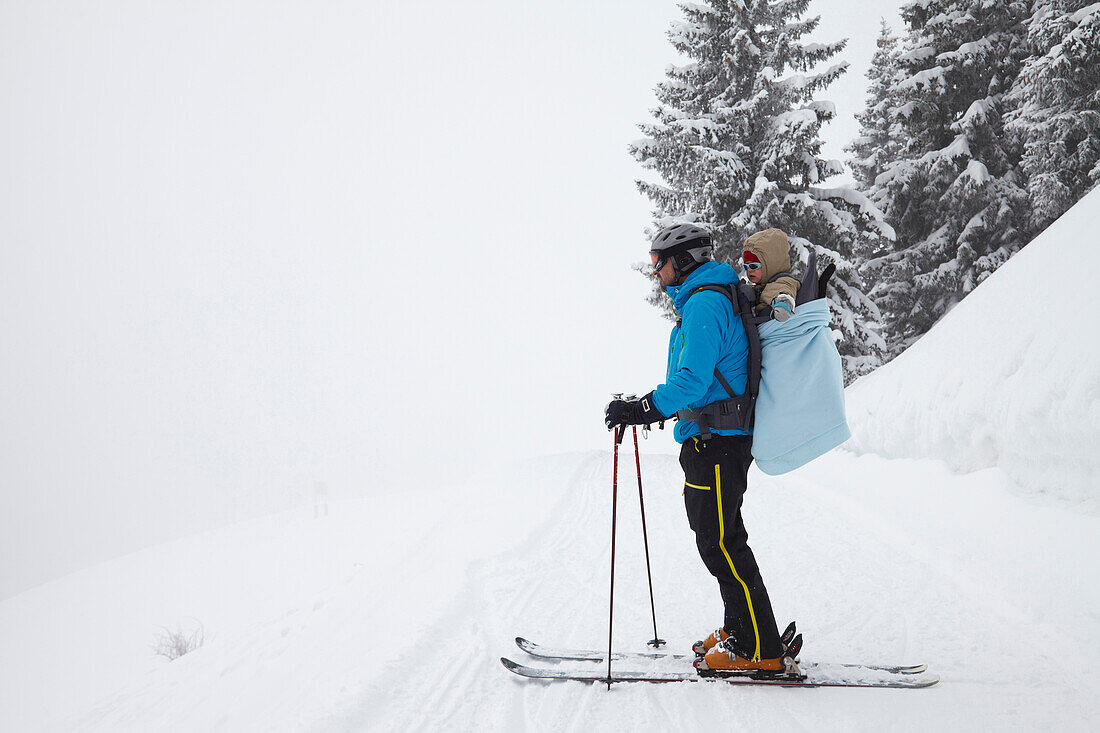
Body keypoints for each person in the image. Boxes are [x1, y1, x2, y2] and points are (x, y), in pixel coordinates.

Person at [604, 222, 786, 674]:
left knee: (721, 543)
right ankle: (740, 631)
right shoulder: (706, 298)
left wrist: (644, 408)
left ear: (681, 260)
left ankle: (761, 650)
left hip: (718, 443)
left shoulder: (705, 302)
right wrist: (649, 407)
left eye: (657, 262)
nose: (655, 271)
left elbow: (691, 381)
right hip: (711, 441)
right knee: (720, 540)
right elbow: (696, 383)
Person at [741, 228, 799, 321]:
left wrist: (783, 304)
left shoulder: (783, 281)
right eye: (746, 267)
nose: (749, 271)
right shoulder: (761, 286)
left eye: (753, 266)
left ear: (771, 264)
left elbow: (783, 290)